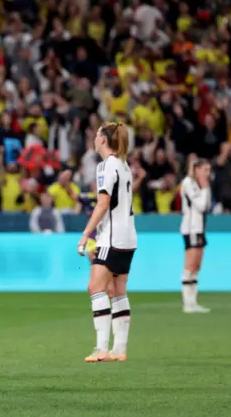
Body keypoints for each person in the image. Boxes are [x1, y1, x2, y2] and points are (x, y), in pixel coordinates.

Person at [77, 122, 137, 363]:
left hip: (111, 237)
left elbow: (103, 204)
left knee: (95, 288)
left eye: (97, 134)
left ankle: (101, 348)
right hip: (128, 237)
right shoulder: (124, 165)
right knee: (117, 291)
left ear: (103, 140)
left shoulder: (106, 165)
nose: (94, 137)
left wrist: (86, 234)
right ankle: (119, 349)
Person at [179, 158, 212, 314]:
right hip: (191, 228)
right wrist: (205, 189)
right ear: (197, 169)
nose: (208, 173)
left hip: (200, 229)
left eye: (209, 170)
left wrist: (205, 189)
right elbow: (199, 206)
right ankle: (187, 303)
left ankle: (193, 302)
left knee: (197, 266)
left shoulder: (203, 185)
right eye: (205, 170)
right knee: (190, 266)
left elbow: (207, 206)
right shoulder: (188, 182)